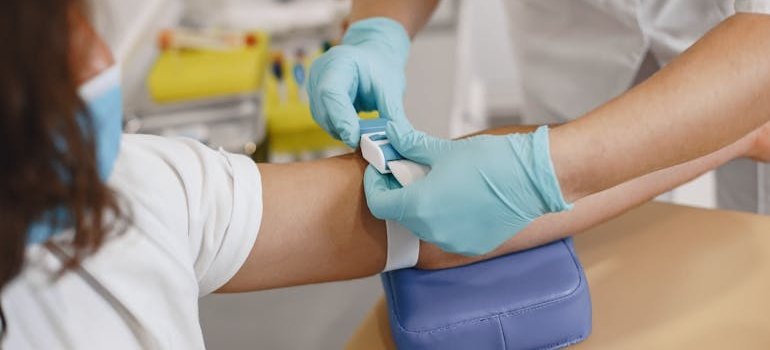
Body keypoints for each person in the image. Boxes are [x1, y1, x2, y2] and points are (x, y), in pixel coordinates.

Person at [1, 0, 770, 348]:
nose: (103, 56)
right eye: (69, 35)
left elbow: (419, 222)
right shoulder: (136, 199)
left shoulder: (144, 193)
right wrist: (380, 26)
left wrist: (717, 138)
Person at [309, 0, 770, 255]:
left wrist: (540, 171)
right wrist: (379, 30)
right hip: (576, 24)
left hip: (746, 26)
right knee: (589, 255)